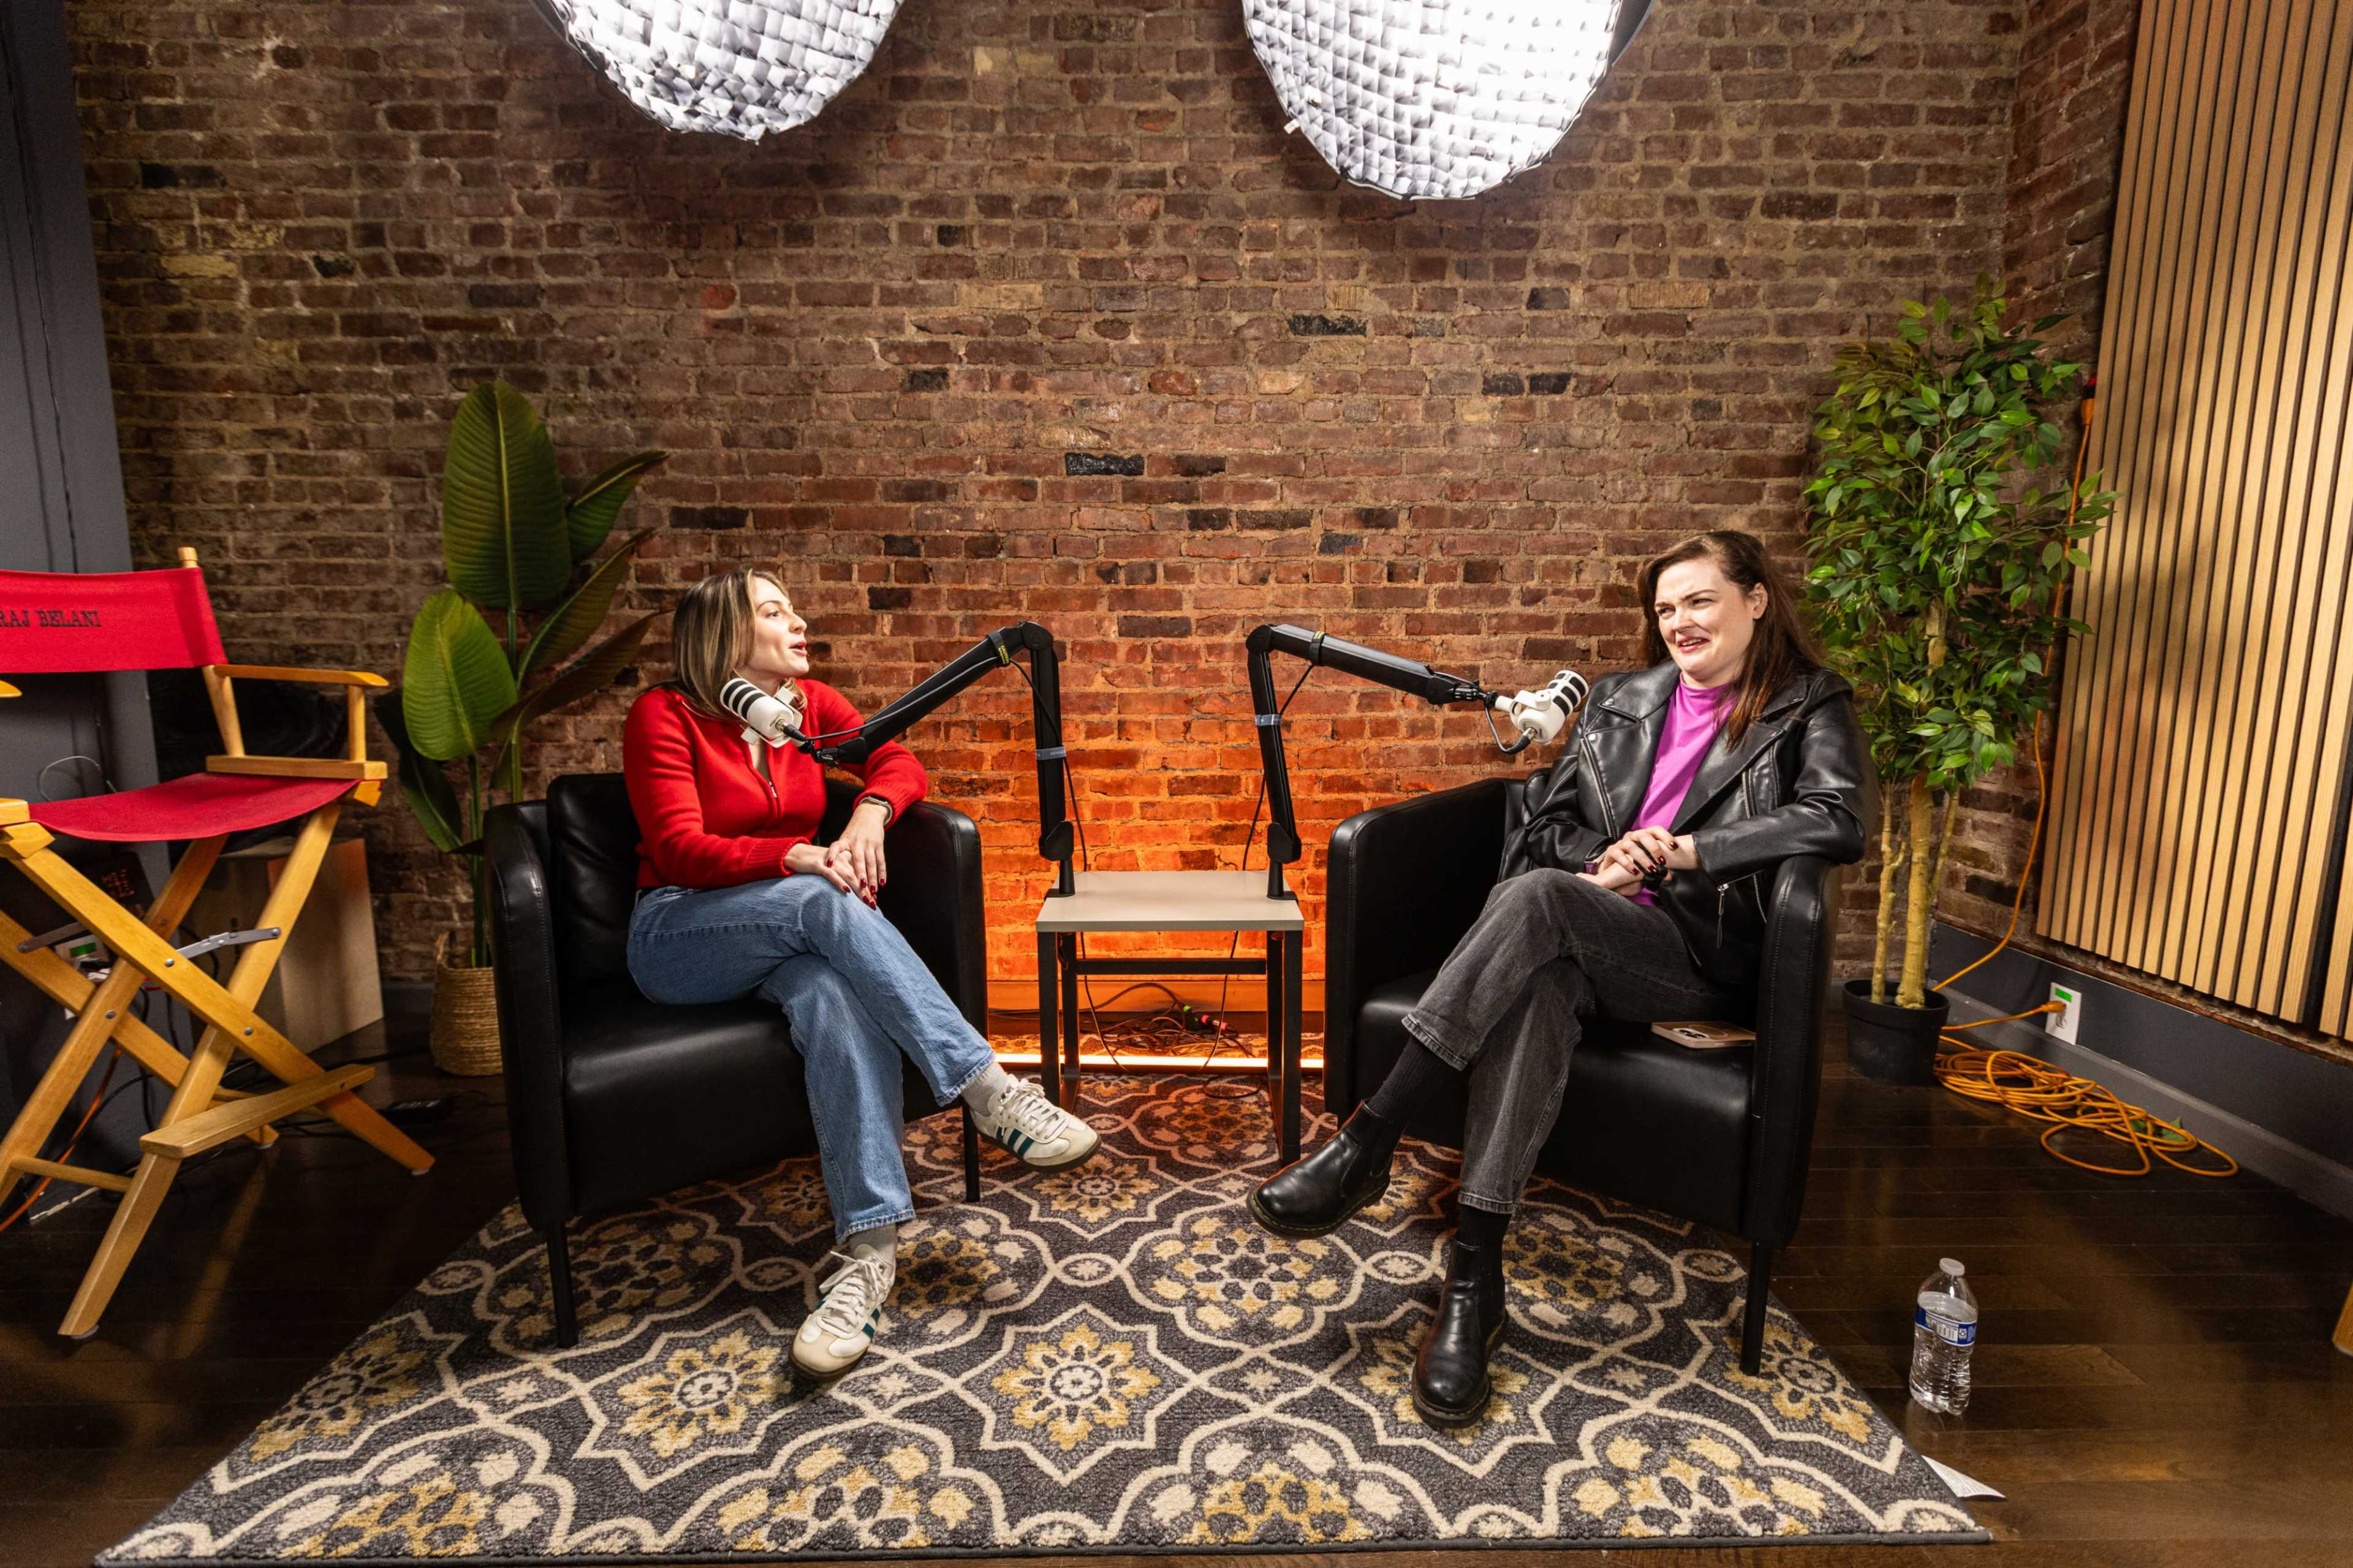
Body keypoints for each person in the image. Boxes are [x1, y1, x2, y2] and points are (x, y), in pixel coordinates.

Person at [1249, 529, 1873, 1425]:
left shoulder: (1807, 706)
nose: (1681, 624)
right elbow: (1546, 831)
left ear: (1756, 599)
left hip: (1692, 956)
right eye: (1666, 611)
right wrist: (1606, 866)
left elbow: (1838, 817)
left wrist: (1684, 853)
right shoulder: (1621, 701)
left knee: (1541, 904)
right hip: (1583, 925)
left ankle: (1366, 1141)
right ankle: (1475, 1278)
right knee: (1538, 975)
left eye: (1700, 600)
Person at [623, 567, 1099, 1379]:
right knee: (821, 896)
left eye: (793, 606)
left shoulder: (810, 709)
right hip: (681, 930)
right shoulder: (663, 716)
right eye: (776, 611)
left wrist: (871, 810)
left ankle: (866, 1257)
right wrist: (801, 855)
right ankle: (986, 1089)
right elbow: (679, 851)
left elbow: (898, 761)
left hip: (789, 941)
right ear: (726, 637)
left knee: (836, 1001)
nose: (800, 622)